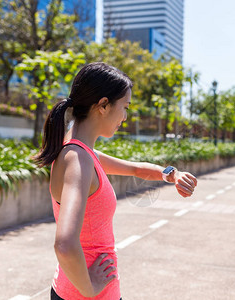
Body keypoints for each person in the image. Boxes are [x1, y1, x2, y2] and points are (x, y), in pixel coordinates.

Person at [33, 62, 198, 300]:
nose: (125, 116)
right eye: (125, 107)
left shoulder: (81, 153)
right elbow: (65, 245)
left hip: (71, 290)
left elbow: (135, 169)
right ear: (103, 105)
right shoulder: (78, 160)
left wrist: (172, 174)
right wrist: (90, 288)